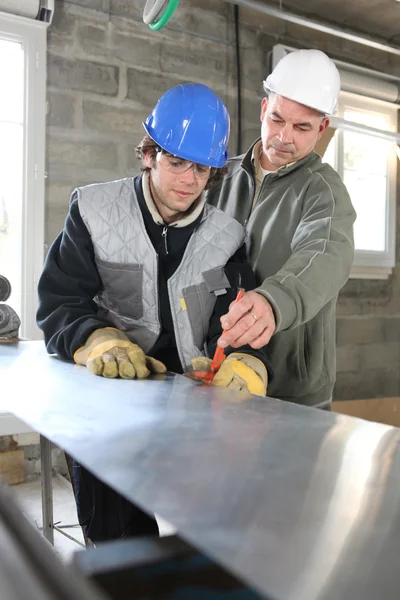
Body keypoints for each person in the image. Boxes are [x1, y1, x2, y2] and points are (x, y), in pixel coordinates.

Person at [36, 83, 272, 543]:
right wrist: (96, 339)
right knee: (119, 541)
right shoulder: (94, 210)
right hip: (109, 400)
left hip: (191, 401)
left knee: (217, 532)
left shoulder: (227, 236)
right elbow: (61, 299)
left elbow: (237, 313)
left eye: (201, 167)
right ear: (150, 154)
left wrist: (245, 356)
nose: (188, 179)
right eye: (176, 161)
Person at [207, 49, 357, 410]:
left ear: (321, 129)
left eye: (302, 127)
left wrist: (274, 302)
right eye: (276, 120)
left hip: (292, 392)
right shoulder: (218, 177)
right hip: (220, 374)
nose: (283, 137)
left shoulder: (324, 191)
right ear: (263, 110)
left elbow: (324, 256)